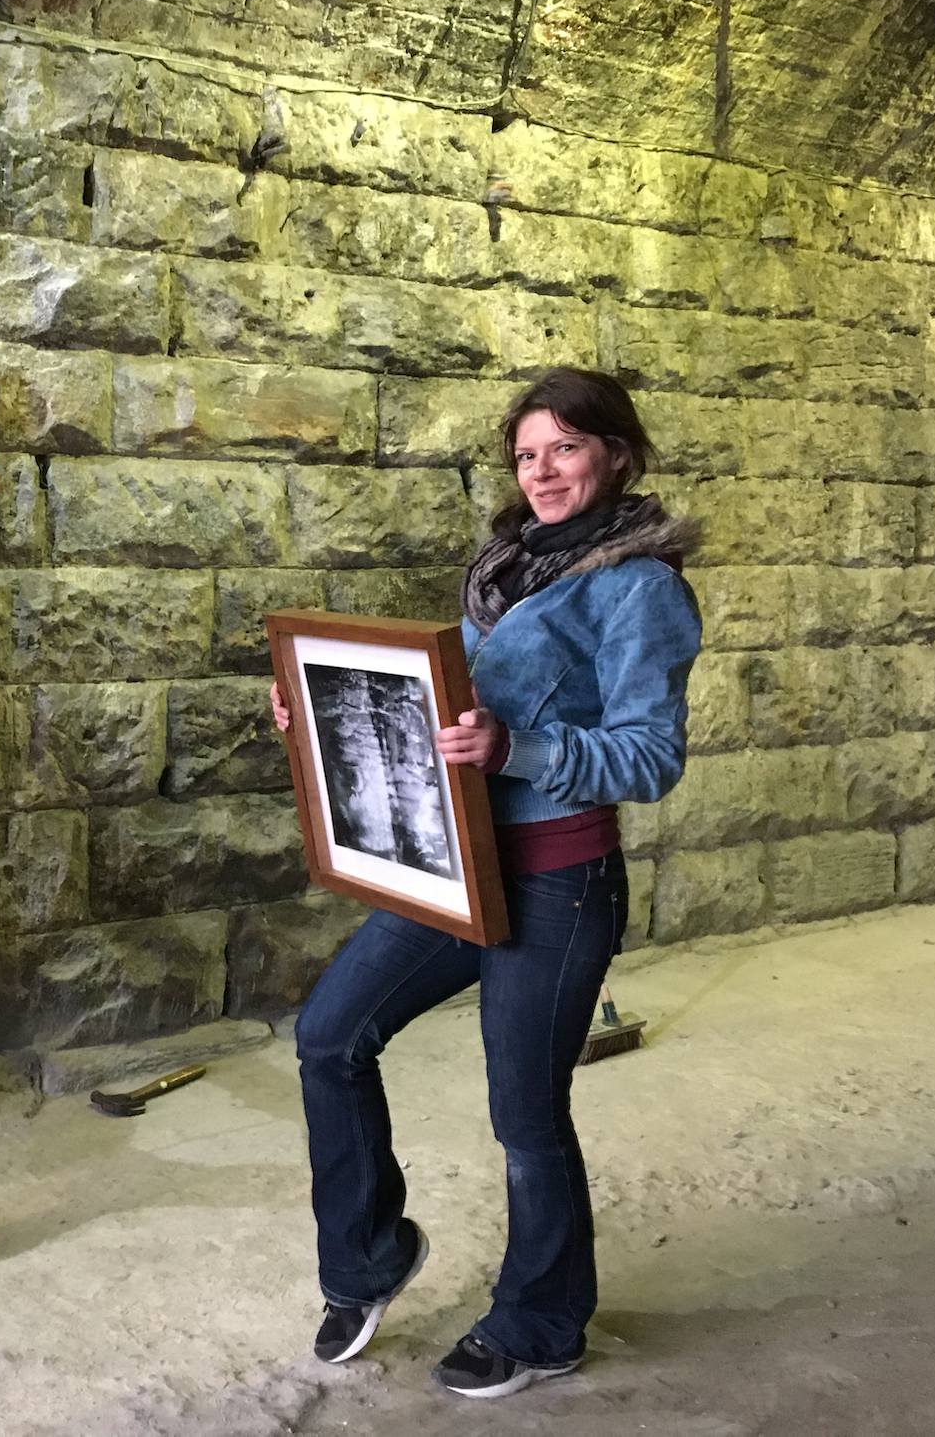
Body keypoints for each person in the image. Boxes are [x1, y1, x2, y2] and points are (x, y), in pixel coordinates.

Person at [270, 367, 702, 1396]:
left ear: (615, 454)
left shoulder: (641, 586)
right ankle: (370, 1258)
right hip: (459, 867)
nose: (541, 472)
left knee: (524, 1114)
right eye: (525, 454)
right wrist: (316, 708)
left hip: (558, 881)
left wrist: (518, 749)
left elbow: (650, 757)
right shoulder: (506, 568)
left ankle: (543, 1323)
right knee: (329, 1037)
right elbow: (443, 711)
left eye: (564, 448)